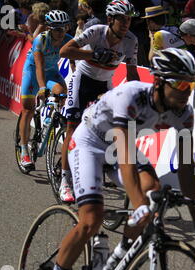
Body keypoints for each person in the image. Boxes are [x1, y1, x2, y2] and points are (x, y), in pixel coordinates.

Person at [40, 48, 195, 270]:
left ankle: (119, 257)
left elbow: (186, 167)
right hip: (90, 142)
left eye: (190, 85)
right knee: (91, 220)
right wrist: (137, 205)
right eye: (180, 83)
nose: (185, 91)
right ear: (158, 81)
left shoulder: (184, 113)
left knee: (153, 191)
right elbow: (125, 157)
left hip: (118, 148)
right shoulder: (131, 96)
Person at [57, 0, 140, 203]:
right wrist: (92, 53)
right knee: (73, 127)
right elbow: (64, 51)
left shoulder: (131, 40)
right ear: (111, 19)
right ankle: (65, 180)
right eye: (122, 19)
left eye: (129, 19)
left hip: (104, 85)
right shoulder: (96, 31)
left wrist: (139, 98)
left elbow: (132, 73)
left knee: (110, 129)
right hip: (82, 81)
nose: (126, 23)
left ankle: (103, 167)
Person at [19, 10, 73, 171]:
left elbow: (75, 63)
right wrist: (42, 88)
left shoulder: (69, 40)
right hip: (33, 70)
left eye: (64, 28)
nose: (61, 32)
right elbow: (39, 66)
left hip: (51, 72)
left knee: (62, 91)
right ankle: (23, 150)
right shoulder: (40, 40)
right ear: (49, 28)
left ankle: (50, 119)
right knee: (27, 109)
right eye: (57, 29)